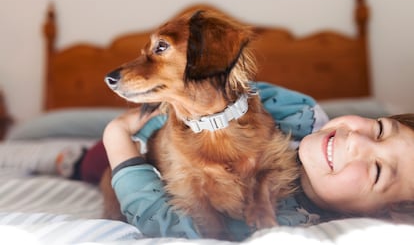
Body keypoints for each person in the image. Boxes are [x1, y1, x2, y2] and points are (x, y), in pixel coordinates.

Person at [102, 81, 414, 240]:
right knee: (93, 158)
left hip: (138, 166)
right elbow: (212, 97)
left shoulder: (285, 222)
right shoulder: (297, 109)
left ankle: (76, 160)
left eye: (376, 171)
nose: (356, 140)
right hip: (157, 133)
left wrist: (116, 138)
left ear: (392, 213)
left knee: (100, 171)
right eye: (380, 129)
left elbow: (170, 226)